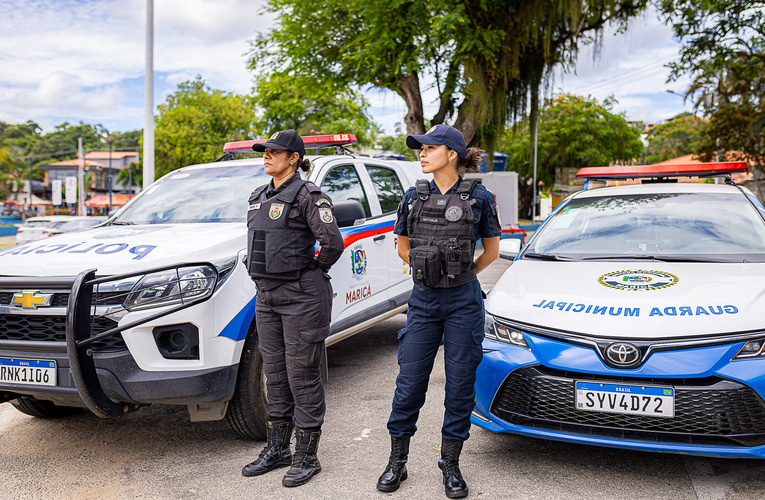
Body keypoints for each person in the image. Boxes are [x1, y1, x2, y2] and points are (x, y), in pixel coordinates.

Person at [377, 124, 500, 498]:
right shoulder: (413, 197)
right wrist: (428, 268)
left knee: (460, 386)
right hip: (424, 301)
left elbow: (492, 253)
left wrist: (462, 275)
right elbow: (402, 247)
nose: (422, 152)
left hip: (463, 301)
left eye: (430, 147)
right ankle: (397, 461)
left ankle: (450, 462)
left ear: (451, 154)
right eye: (420, 148)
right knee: (409, 383)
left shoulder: (479, 197)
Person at [242, 129, 344, 487]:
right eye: (265, 151)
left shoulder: (308, 195)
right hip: (267, 296)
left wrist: (311, 271)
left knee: (302, 374)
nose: (266, 156)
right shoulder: (258, 195)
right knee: (276, 373)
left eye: (274, 152)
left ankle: (307, 456)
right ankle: (277, 449)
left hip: (302, 295)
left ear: (294, 158)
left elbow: (331, 242)